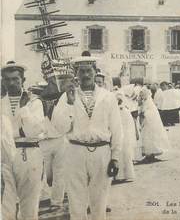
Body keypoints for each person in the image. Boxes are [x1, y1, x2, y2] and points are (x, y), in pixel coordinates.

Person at [51, 55, 122, 220]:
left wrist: (116, 156)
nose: (85, 75)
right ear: (76, 73)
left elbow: (117, 129)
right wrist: (69, 103)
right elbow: (59, 128)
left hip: (102, 152)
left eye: (89, 71)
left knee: (100, 201)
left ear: (95, 72)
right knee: (76, 202)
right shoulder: (67, 96)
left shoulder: (108, 96)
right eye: (81, 71)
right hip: (75, 151)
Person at [1, 61, 46, 220]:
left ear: (23, 80)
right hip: (4, 157)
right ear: (2, 81)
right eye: (7, 79)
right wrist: (19, 131)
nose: (11, 83)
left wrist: (24, 108)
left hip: (29, 155)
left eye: (15, 79)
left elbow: (35, 130)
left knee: (29, 207)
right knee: (5, 207)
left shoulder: (34, 103)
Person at [139, 88, 170, 163]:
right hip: (147, 123)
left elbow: (151, 113)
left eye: (142, 94)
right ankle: (149, 155)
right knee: (147, 138)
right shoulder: (146, 101)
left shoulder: (149, 102)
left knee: (150, 139)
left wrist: (143, 113)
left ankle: (150, 155)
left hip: (151, 124)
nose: (141, 95)